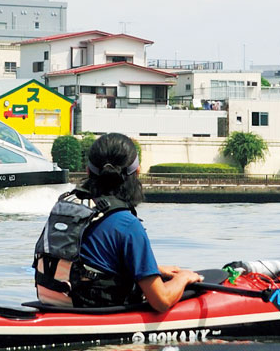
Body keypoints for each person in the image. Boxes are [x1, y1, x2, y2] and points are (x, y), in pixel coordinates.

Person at [33, 132, 202, 312]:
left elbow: (85, 261)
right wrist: (183, 278)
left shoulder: (65, 208)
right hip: (91, 310)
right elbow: (161, 301)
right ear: (136, 172)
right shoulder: (127, 224)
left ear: (88, 171)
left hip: (52, 304)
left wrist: (153, 269)